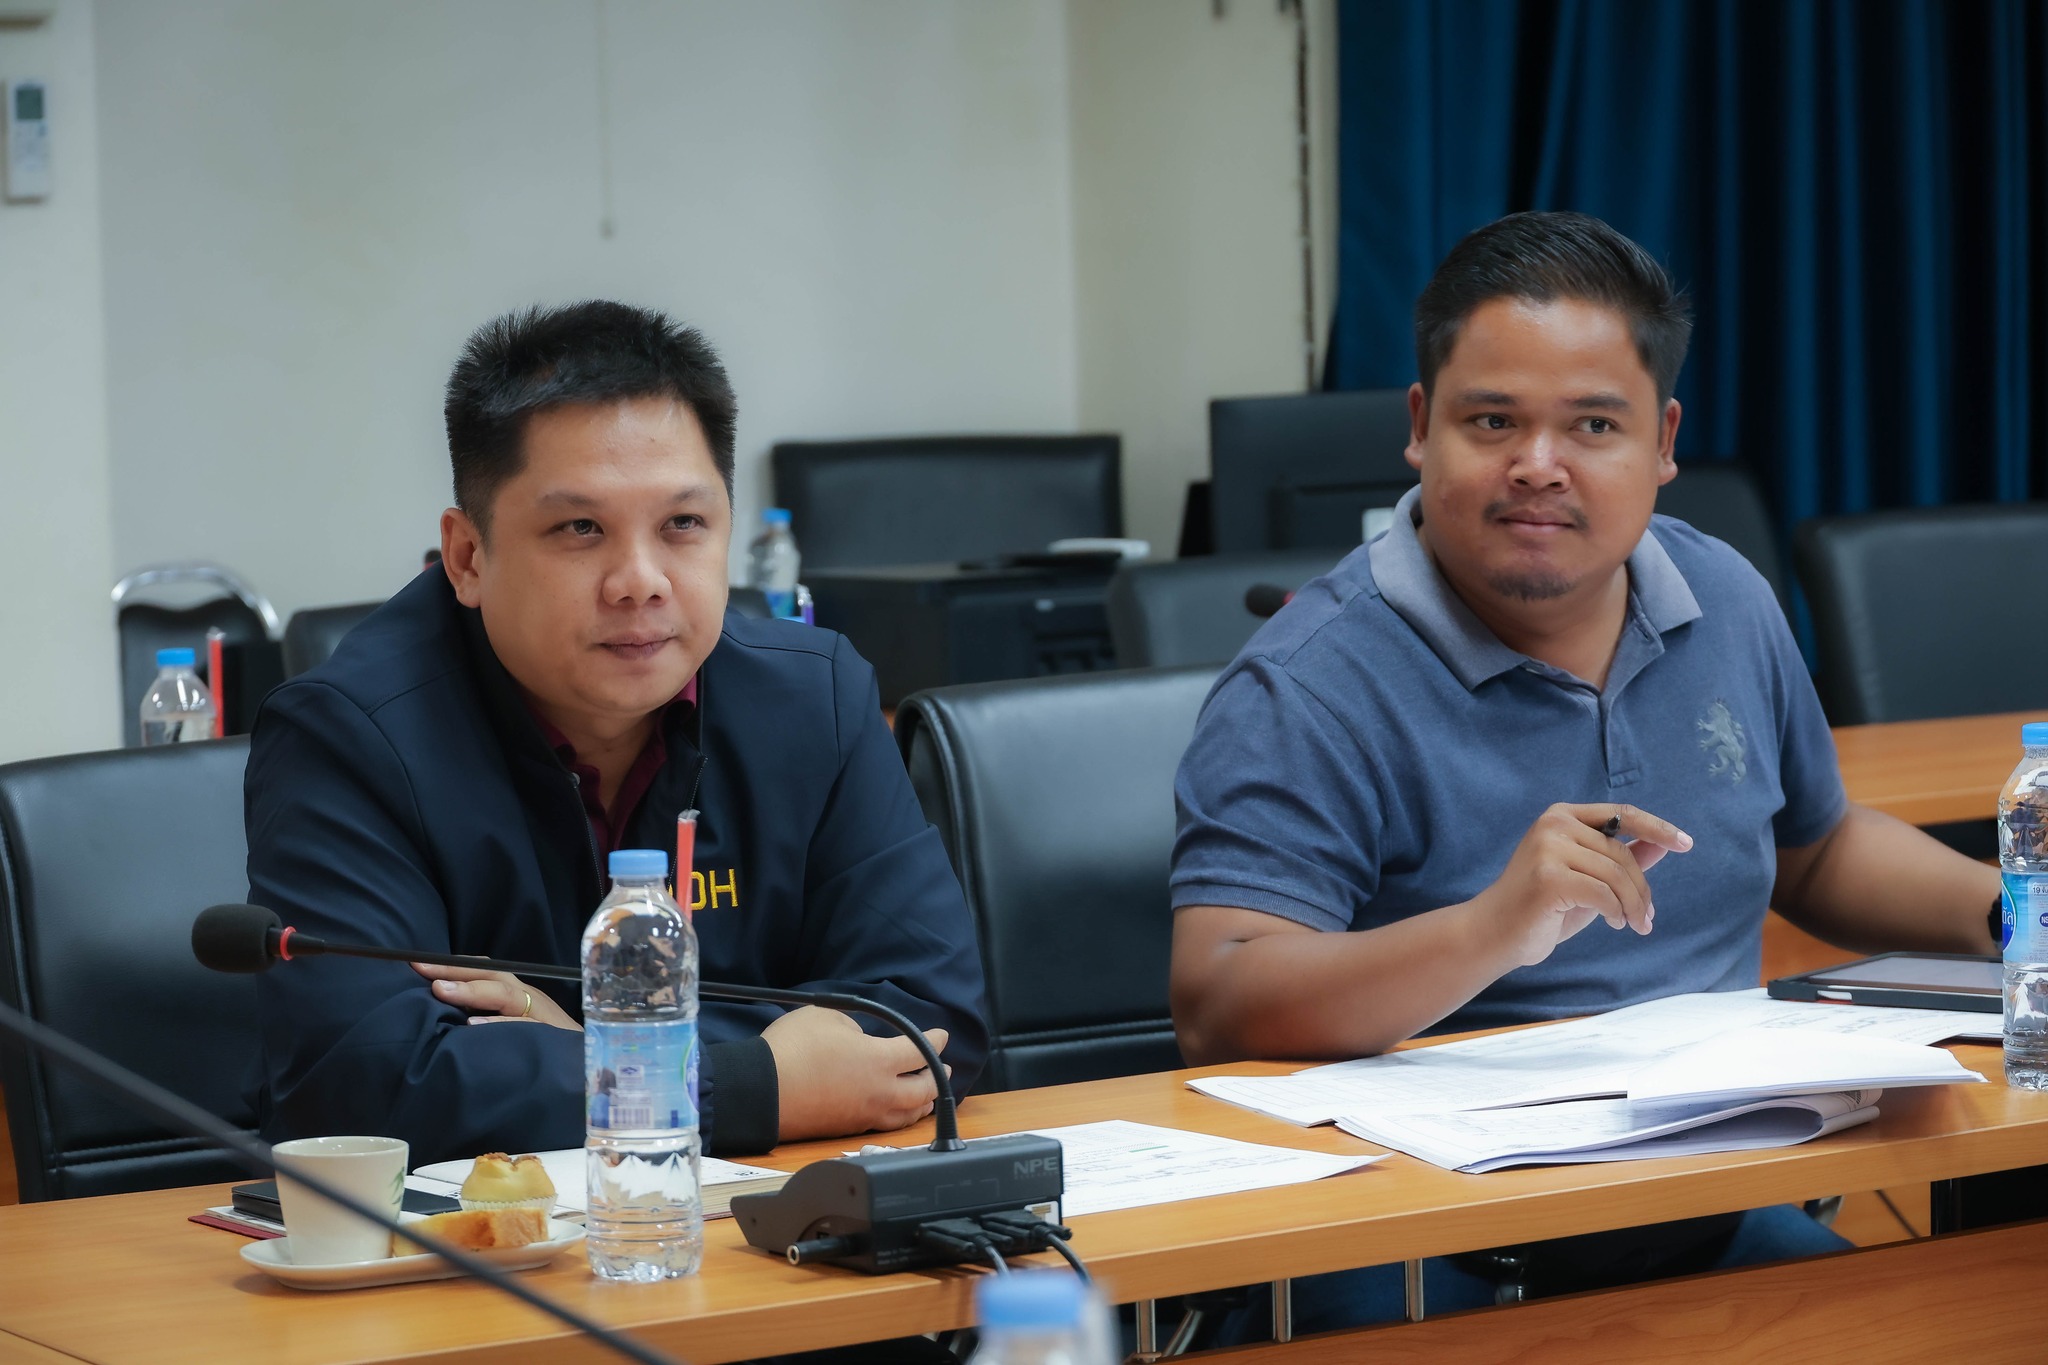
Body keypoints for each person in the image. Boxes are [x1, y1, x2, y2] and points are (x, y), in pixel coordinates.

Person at [1169, 212, 2002, 1332]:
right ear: (1419, 428)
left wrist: (2016, 916)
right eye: (1492, 421)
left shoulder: (1725, 598)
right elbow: (1217, 1002)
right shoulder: (1306, 684)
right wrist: (1490, 930)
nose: (1537, 466)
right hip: (1423, 1249)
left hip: (1709, 1203)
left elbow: (1816, 847)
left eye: (1593, 425)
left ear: (1662, 442)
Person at [247, 300, 989, 1166]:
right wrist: (736, 1082)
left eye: (683, 524)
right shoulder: (348, 737)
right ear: (468, 557)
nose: (640, 581)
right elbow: (364, 1082)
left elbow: (926, 1017)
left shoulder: (813, 698)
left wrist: (584, 1041)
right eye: (580, 528)